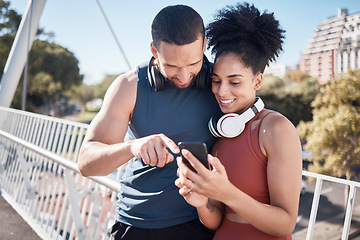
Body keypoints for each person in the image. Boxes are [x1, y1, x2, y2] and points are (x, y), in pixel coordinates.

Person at [77, 4, 221, 240]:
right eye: (172, 66)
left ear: (204, 46)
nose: (183, 77)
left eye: (193, 65)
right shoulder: (128, 86)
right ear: (154, 50)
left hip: (198, 222)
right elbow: (86, 163)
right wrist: (132, 147)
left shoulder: (222, 85)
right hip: (136, 223)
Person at [175, 2, 302, 239]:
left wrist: (227, 192)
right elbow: (215, 220)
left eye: (234, 82)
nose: (222, 91)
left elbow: (285, 224)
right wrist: (201, 202)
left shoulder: (276, 129)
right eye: (216, 80)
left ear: (257, 81)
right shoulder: (221, 135)